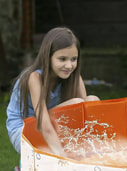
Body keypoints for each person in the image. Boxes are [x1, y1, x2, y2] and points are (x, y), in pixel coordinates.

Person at [6, 27, 99, 160]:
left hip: (50, 124)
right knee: (77, 103)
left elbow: (85, 119)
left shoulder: (74, 77)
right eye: (62, 59)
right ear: (48, 57)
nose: (69, 65)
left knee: (91, 100)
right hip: (23, 131)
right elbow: (44, 125)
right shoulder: (34, 78)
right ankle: (34, 161)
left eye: (73, 59)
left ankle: (86, 156)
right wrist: (64, 161)